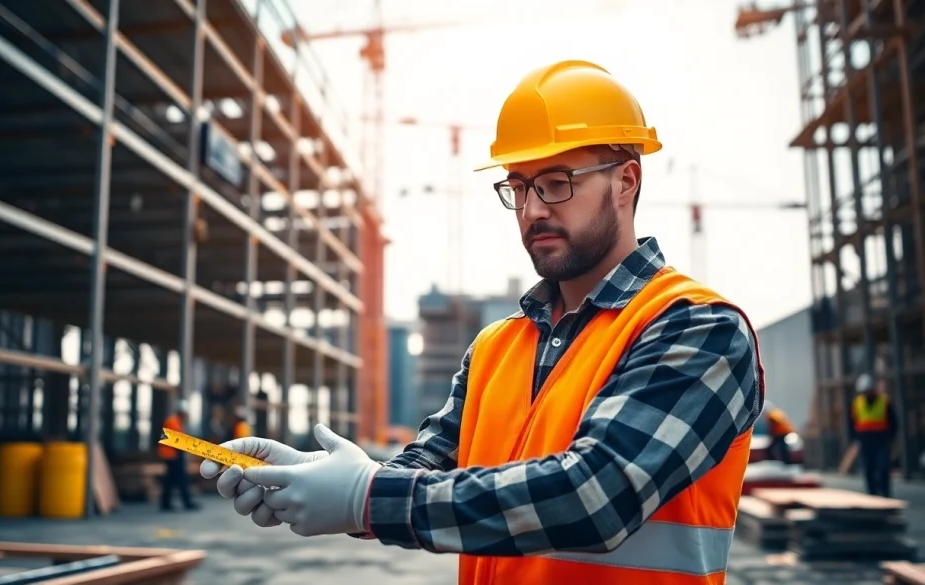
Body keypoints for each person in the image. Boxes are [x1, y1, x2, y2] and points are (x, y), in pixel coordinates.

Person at [200, 60, 764, 585]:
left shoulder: (698, 329)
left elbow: (597, 496)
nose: (533, 209)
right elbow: (423, 470)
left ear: (626, 181)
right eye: (518, 186)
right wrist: (315, 476)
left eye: (557, 181)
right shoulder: (497, 346)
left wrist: (363, 497)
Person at [849, 373, 896, 497]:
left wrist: (891, 438)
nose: (866, 394)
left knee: (883, 467)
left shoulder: (884, 401)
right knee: (868, 469)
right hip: (865, 442)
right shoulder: (857, 403)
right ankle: (872, 494)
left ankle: (885, 493)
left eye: (868, 391)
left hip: (881, 440)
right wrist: (855, 439)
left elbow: (893, 421)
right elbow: (852, 423)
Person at [157, 399, 200, 512]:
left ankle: (166, 503)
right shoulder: (173, 422)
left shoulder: (175, 421)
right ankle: (187, 502)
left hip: (171, 454)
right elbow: (178, 440)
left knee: (170, 480)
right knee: (181, 479)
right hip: (172, 454)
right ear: (182, 413)